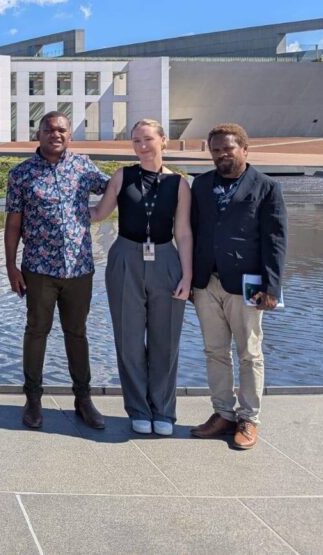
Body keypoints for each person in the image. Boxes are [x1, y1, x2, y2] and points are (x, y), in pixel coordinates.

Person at [4, 111, 110, 430]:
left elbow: (114, 189)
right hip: (38, 268)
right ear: (39, 134)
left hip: (79, 269)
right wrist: (10, 266)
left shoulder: (83, 167)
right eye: (49, 129)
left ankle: (83, 398)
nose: (56, 134)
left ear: (69, 135)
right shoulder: (21, 174)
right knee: (37, 332)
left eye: (62, 130)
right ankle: (33, 399)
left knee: (77, 334)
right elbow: (12, 225)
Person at [90, 119, 193, 436]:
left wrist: (187, 276)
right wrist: (58, 209)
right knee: (129, 339)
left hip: (165, 259)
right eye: (136, 141)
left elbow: (184, 233)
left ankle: (163, 410)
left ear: (164, 141)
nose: (142, 146)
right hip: (125, 257)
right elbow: (98, 214)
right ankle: (138, 408)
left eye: (148, 139)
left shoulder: (179, 184)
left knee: (166, 340)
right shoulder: (123, 176)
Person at [188, 123, 287, 450]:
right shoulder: (200, 185)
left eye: (227, 149)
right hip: (206, 283)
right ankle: (223, 414)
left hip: (247, 285)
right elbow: (189, 233)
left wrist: (271, 286)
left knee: (249, 353)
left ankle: (248, 418)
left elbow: (275, 240)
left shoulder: (266, 187)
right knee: (215, 352)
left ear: (245, 149)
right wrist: (188, 281)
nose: (221, 155)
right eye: (215, 150)